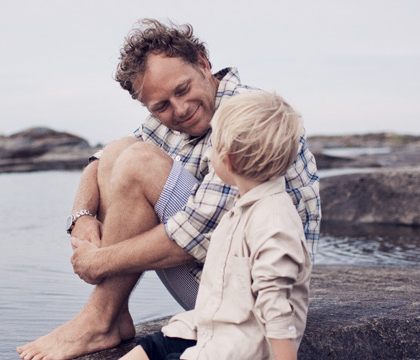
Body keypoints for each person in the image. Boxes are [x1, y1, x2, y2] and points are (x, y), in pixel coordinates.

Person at [17, 19, 320, 360]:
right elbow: (102, 159)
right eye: (160, 106)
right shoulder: (177, 115)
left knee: (137, 163)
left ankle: (99, 319)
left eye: (182, 89)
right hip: (216, 278)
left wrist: (97, 262)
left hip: (247, 296)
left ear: (203, 63)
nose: (179, 109)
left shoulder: (250, 119)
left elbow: (197, 234)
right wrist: (82, 216)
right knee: (121, 152)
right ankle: (112, 316)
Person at [120, 91, 312, 360]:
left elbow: (277, 307)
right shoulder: (244, 203)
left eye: (214, 144)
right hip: (213, 327)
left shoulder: (273, 221)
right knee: (151, 347)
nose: (209, 152)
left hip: (237, 349)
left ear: (229, 161)